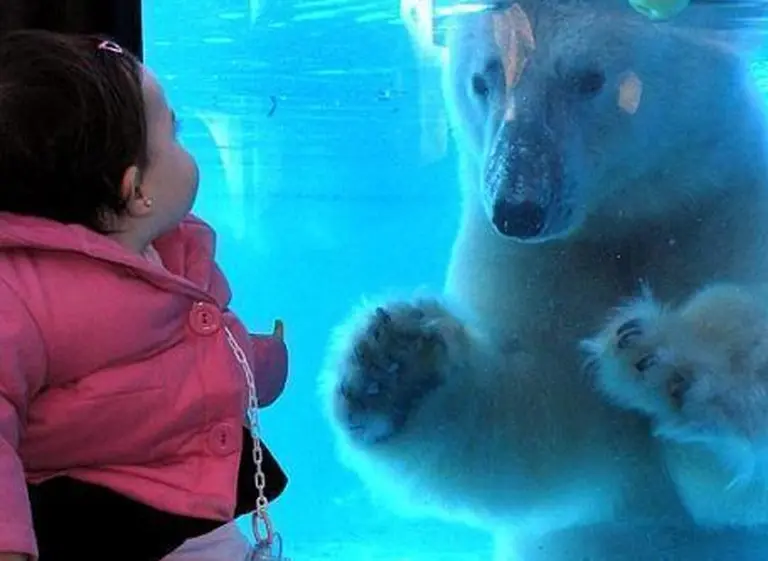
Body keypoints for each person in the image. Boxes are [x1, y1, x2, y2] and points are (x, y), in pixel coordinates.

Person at [0, 29, 289, 561]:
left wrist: (261, 363)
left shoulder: (174, 253)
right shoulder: (22, 293)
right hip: (106, 531)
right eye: (175, 136)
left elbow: (197, 351)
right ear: (136, 191)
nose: (186, 144)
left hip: (198, 515)